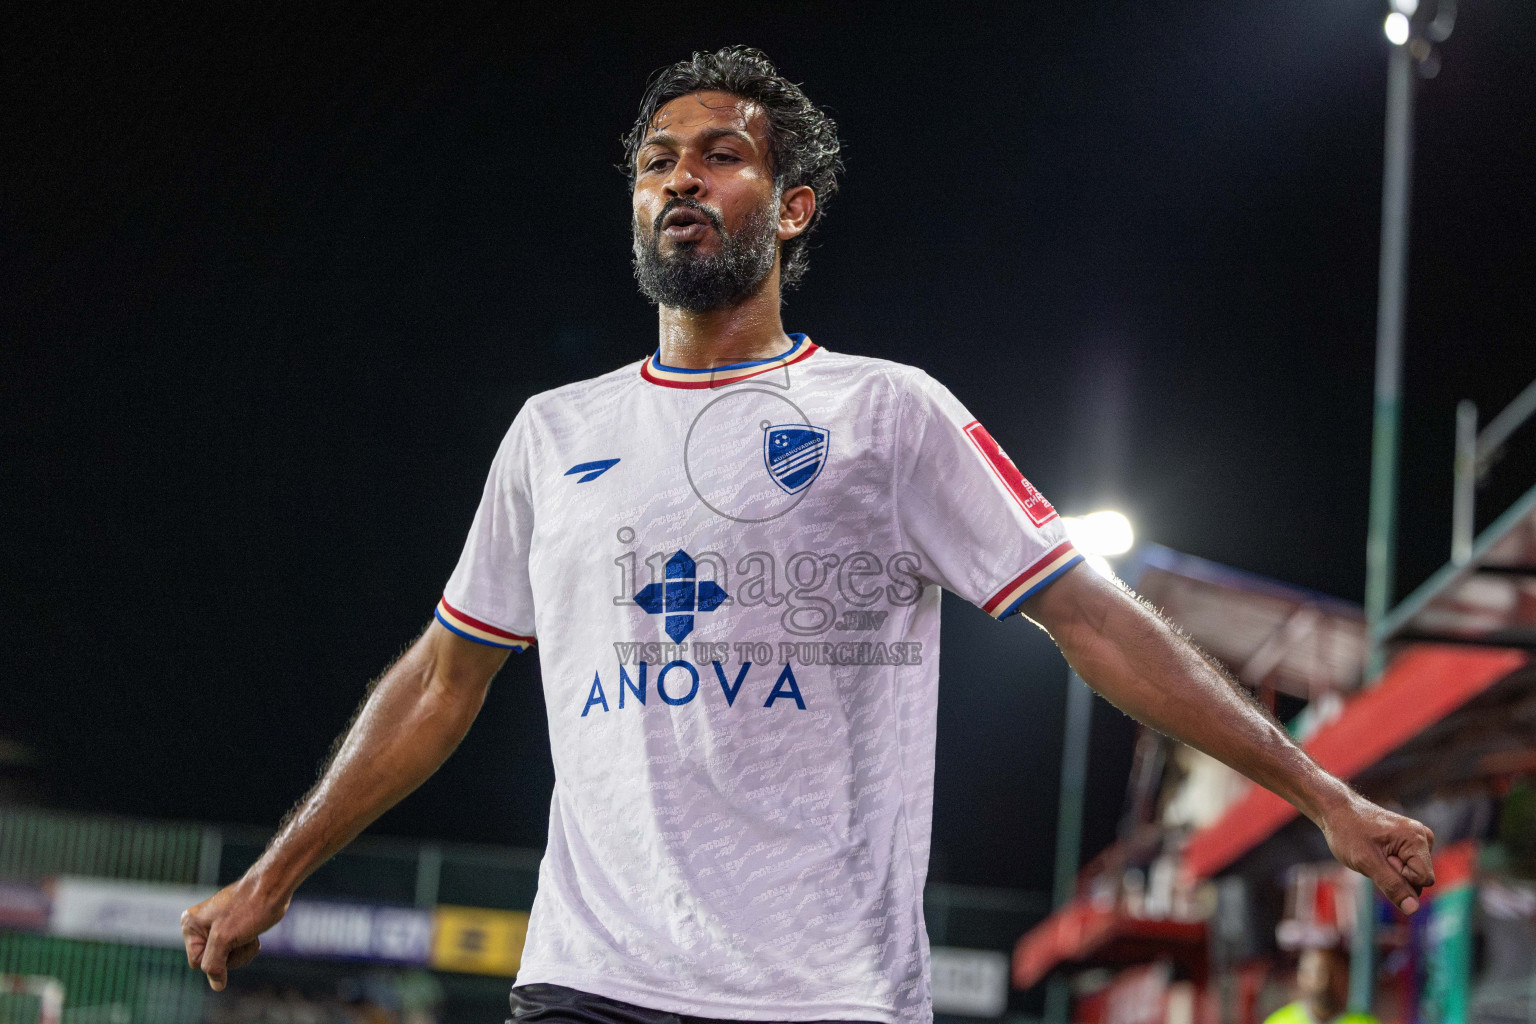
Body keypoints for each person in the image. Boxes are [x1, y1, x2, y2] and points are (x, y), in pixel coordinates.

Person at [182, 46, 1436, 1024]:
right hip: (590, 975)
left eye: (718, 155)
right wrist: (274, 874)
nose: (679, 178)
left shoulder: (887, 414)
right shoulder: (554, 433)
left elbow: (1092, 617)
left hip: (823, 989)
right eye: (657, 161)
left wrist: (1319, 794)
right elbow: (442, 679)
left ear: (790, 209)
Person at [1263, 947, 1379, 1024]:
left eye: (1334, 974)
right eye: (1318, 973)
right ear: (1302, 977)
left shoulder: (1364, 1022)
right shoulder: (1279, 1022)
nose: (1326, 982)